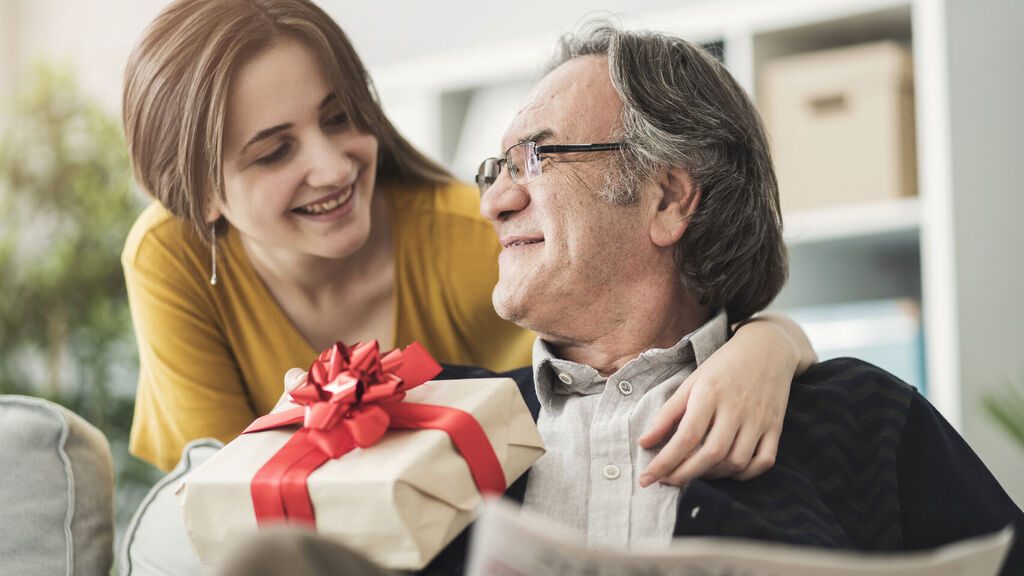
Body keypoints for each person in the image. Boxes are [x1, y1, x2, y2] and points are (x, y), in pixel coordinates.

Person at [223, 21, 1023, 576]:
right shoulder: (431, 422)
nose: (494, 202)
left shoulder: (862, 419)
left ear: (668, 198)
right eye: (495, 170)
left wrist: (774, 341)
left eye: (535, 159)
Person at [120, 0, 817, 484]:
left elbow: (658, 317)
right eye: (274, 152)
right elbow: (217, 493)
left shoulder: (478, 233)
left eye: (339, 118)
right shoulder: (171, 257)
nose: (332, 168)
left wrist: (769, 343)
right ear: (199, 195)